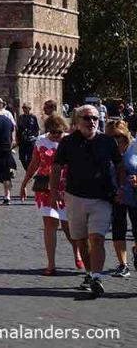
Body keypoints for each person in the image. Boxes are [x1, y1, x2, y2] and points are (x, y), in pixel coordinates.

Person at [51, 104, 126, 298]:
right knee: (81, 240)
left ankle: (96, 276)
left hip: (102, 198)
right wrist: (53, 192)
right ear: (76, 122)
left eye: (94, 118)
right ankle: (88, 273)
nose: (92, 121)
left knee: (97, 238)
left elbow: (119, 165)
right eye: (87, 118)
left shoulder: (107, 142)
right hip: (75, 197)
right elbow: (57, 167)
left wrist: (120, 188)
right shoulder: (67, 143)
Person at [20, 114, 75, 275]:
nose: (57, 135)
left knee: (68, 227)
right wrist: (24, 183)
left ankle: (77, 250)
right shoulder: (41, 141)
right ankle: (51, 264)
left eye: (59, 132)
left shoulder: (70, 141)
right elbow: (34, 164)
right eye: (53, 132)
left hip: (66, 188)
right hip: (45, 188)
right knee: (50, 225)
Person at [105, 120, 137, 278]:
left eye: (118, 135)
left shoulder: (135, 146)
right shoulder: (105, 149)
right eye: (110, 136)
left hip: (135, 193)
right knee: (118, 229)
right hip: (115, 194)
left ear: (125, 133)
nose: (115, 139)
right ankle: (123, 265)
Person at [17, 104, 40, 175]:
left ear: (29, 108)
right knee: (22, 157)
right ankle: (28, 170)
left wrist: (37, 138)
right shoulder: (20, 117)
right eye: (23, 108)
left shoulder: (33, 117)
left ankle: (29, 172)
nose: (24, 109)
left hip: (31, 140)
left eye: (25, 108)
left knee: (30, 157)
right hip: (22, 140)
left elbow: (37, 128)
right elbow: (18, 128)